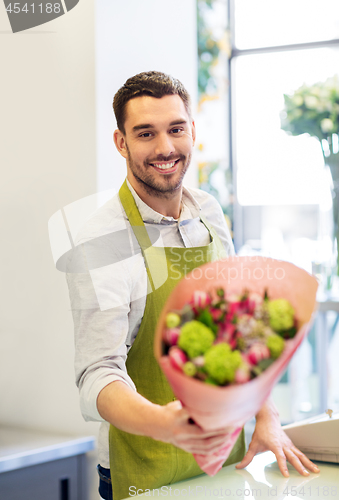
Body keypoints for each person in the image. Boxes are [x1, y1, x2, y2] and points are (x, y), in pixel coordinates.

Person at [66, 71, 319, 500]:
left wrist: (266, 415)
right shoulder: (101, 240)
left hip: (225, 464)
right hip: (143, 469)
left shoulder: (209, 212)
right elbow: (97, 373)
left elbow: (236, 328)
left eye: (175, 129)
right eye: (145, 133)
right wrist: (166, 424)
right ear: (121, 143)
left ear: (192, 131)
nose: (165, 148)